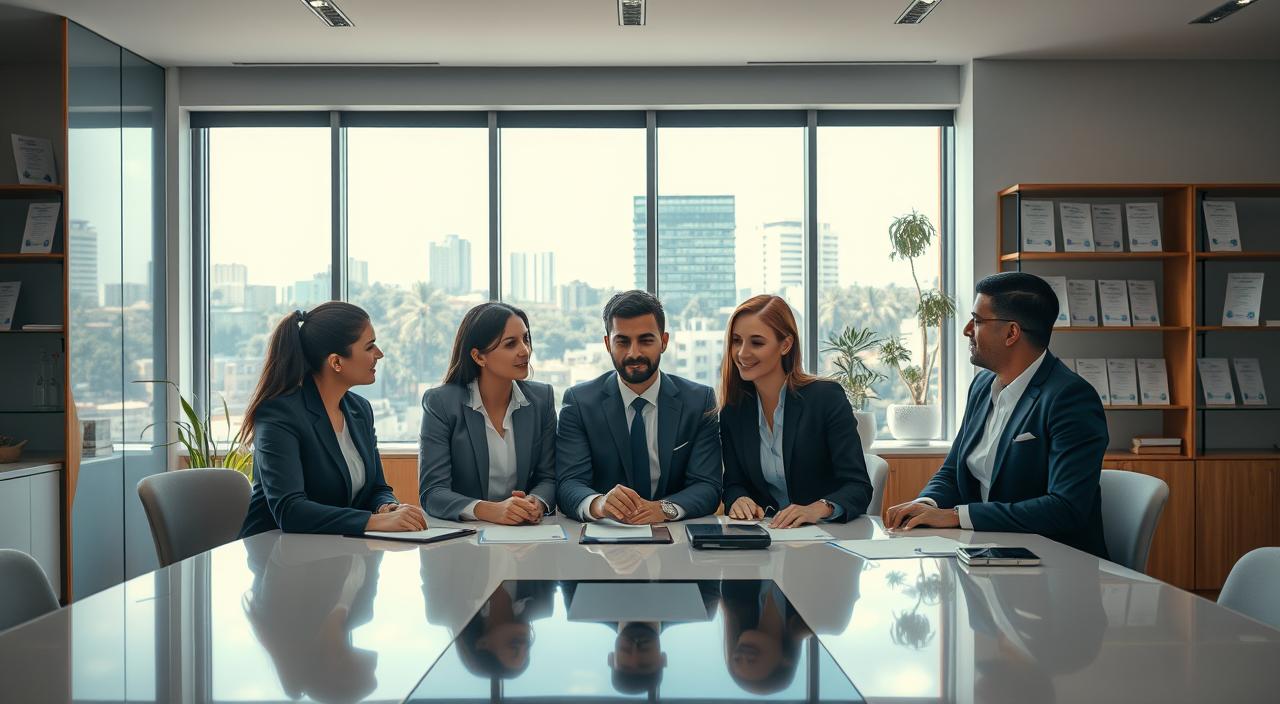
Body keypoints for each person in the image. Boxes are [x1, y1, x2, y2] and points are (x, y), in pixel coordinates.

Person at [884, 272, 1109, 559]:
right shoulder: (981, 387)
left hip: (1053, 568)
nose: (967, 329)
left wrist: (956, 516)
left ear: (1011, 333)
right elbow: (954, 471)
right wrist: (926, 505)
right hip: (985, 556)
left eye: (977, 321)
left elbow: (1065, 508)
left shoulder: (1070, 399)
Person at [238, 302, 428, 538]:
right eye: (369, 347)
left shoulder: (360, 410)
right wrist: (373, 521)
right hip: (277, 556)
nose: (379, 354)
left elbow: (377, 488)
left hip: (338, 551)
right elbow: (290, 511)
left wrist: (386, 507)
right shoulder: (278, 414)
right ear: (336, 362)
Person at [556, 290, 722, 523]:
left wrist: (662, 509)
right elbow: (568, 483)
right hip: (605, 537)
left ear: (664, 341)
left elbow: (708, 485)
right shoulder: (579, 402)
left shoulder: (699, 401)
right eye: (622, 341)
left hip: (675, 538)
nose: (634, 353)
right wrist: (600, 503)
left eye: (645, 340)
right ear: (607, 344)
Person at [719, 295, 872, 527]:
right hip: (766, 539)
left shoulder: (826, 398)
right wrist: (739, 499)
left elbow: (857, 486)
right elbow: (733, 483)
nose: (742, 353)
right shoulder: (733, 410)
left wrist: (817, 509)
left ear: (786, 345)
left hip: (824, 540)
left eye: (757, 342)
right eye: (737, 340)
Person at [419, 303, 556, 523]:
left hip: (525, 536)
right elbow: (433, 493)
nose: (525, 351)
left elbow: (548, 477)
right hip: (464, 539)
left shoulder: (542, 399)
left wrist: (535, 502)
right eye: (510, 344)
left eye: (526, 339)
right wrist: (492, 510)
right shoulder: (441, 403)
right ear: (479, 357)